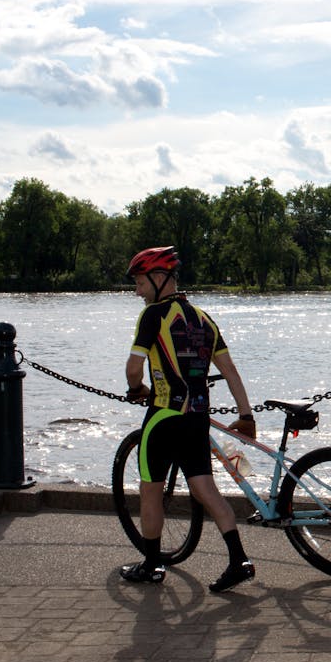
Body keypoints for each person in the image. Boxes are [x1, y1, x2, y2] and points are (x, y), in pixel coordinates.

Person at [120, 245, 259, 593]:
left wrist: (136, 388)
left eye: (139, 282)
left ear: (158, 278)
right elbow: (229, 370)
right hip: (197, 416)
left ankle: (152, 565)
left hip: (164, 417)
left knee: (150, 491)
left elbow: (134, 367)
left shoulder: (154, 315)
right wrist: (245, 414)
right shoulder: (203, 318)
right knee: (207, 490)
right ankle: (239, 560)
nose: (137, 291)